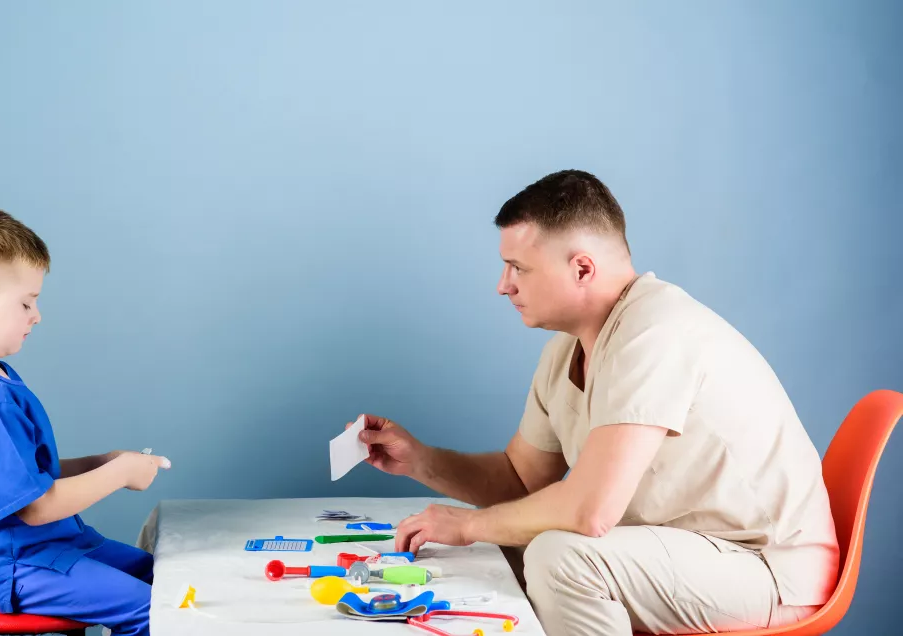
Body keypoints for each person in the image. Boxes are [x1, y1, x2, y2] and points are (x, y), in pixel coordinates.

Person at [349, 170, 839, 635]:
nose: (503, 284)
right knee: (493, 549)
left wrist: (471, 524)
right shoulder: (566, 350)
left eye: (518, 267)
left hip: (765, 567)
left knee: (557, 558)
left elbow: (590, 511)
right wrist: (422, 461)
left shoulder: (657, 333)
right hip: (685, 553)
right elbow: (520, 480)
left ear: (582, 267)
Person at [0, 205, 170, 636]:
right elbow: (37, 507)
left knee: (160, 574)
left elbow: (27, 474)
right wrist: (121, 474)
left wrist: (101, 461)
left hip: (40, 546)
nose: (37, 315)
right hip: (2, 565)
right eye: (27, 302)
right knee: (153, 611)